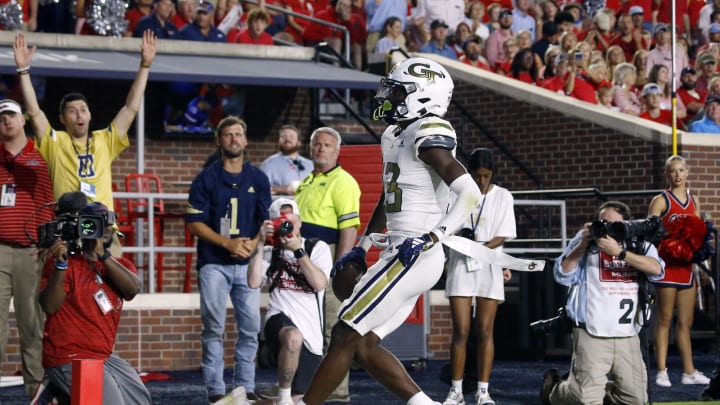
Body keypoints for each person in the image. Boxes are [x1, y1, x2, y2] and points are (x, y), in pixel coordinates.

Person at [296, 56, 483, 405]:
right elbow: (390, 192)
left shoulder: (430, 131)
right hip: (398, 250)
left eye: (398, 93)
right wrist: (363, 244)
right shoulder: (396, 133)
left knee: (343, 332)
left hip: (415, 254)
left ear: (423, 96)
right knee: (364, 345)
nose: (389, 99)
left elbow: (470, 193)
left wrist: (434, 236)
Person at [13, 31, 156, 256]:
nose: (79, 115)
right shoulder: (54, 142)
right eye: (72, 111)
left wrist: (145, 65)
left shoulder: (104, 140)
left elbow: (131, 108)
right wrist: (23, 70)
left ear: (90, 115)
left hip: (103, 230)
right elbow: (33, 111)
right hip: (66, 230)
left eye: (83, 110)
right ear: (62, 119)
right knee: (66, 288)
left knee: (109, 289)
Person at [541, 201, 664, 405]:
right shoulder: (585, 242)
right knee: (586, 400)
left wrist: (620, 253)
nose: (607, 229)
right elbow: (561, 274)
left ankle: (588, 387)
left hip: (627, 333)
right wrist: (582, 244)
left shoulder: (638, 244)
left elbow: (657, 270)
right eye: (603, 223)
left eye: (614, 224)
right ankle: (554, 390)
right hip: (591, 331)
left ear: (627, 224)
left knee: (636, 399)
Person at [186, 116, 272, 403]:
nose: (234, 139)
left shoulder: (258, 178)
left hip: (246, 264)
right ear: (219, 140)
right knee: (214, 327)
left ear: (245, 140)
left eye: (238, 134)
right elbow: (195, 222)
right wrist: (227, 242)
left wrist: (253, 244)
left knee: (250, 328)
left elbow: (265, 220)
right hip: (214, 262)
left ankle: (245, 387)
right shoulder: (205, 178)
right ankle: (215, 390)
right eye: (228, 135)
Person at [39, 200, 151, 404]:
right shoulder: (64, 262)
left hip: (104, 356)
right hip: (68, 354)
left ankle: (60, 396)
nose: (103, 228)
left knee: (140, 400)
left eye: (106, 222)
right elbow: (49, 306)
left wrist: (102, 255)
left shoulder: (120, 265)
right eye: (94, 223)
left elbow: (132, 290)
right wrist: (61, 265)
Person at [442, 148, 516, 405]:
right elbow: (446, 229)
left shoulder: (503, 196)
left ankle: (483, 391)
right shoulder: (456, 194)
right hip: (461, 263)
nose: (481, 181)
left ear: (492, 173)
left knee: (485, 330)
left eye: (485, 176)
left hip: (488, 264)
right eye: (476, 176)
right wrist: (461, 240)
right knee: (461, 330)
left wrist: (477, 248)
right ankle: (456, 391)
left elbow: (503, 235)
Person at [294, 126, 361, 402]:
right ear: (310, 149)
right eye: (317, 144)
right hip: (306, 258)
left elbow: (349, 228)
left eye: (327, 145)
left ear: (337, 151)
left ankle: (337, 391)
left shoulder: (344, 181)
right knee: (308, 326)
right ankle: (308, 390)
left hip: (329, 257)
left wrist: (339, 269)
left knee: (333, 328)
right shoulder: (306, 181)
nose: (321, 148)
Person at [248, 198, 332, 405]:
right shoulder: (270, 250)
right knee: (293, 337)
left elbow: (319, 283)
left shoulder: (316, 247)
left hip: (311, 333)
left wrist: (298, 251)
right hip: (279, 319)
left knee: (300, 402)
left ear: (300, 222)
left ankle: (247, 404)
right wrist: (259, 243)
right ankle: (283, 396)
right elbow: (253, 282)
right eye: (281, 222)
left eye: (291, 221)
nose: (287, 227)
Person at [0, 99, 54, 397]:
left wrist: (45, 244)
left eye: (11, 116)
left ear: (23, 120)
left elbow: (47, 203)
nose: (6, 122)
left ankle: (35, 395)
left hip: (30, 253)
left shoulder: (40, 156)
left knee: (32, 328)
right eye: (2, 118)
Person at [648, 155, 711, 387]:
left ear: (687, 172)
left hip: (686, 267)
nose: (677, 174)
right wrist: (670, 234)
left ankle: (689, 372)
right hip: (666, 266)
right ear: (667, 174)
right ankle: (662, 371)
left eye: (681, 170)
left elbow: (697, 234)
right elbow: (649, 232)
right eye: (673, 171)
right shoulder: (660, 200)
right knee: (665, 318)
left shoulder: (694, 201)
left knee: (686, 321)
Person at [259, 125, 313, 196]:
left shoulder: (310, 165)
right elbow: (259, 189)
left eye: (291, 136)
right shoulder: (269, 164)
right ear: (279, 141)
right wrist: (284, 189)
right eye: (283, 136)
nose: (287, 139)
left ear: (299, 142)